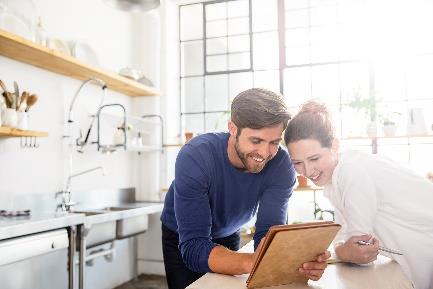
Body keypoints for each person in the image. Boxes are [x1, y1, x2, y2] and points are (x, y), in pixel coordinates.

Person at [160, 89, 330, 289]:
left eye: (274, 142)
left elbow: (268, 234)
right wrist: (254, 262)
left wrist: (292, 262)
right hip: (182, 234)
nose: (265, 153)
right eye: (256, 141)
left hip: (229, 230)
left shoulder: (281, 165)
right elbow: (195, 247)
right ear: (232, 128)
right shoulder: (196, 156)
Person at [284, 100, 433, 289]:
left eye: (314, 158)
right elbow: (347, 239)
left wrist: (344, 250)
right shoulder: (338, 177)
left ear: (334, 146)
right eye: (297, 163)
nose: (307, 170)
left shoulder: (351, 172)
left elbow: (361, 252)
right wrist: (344, 249)